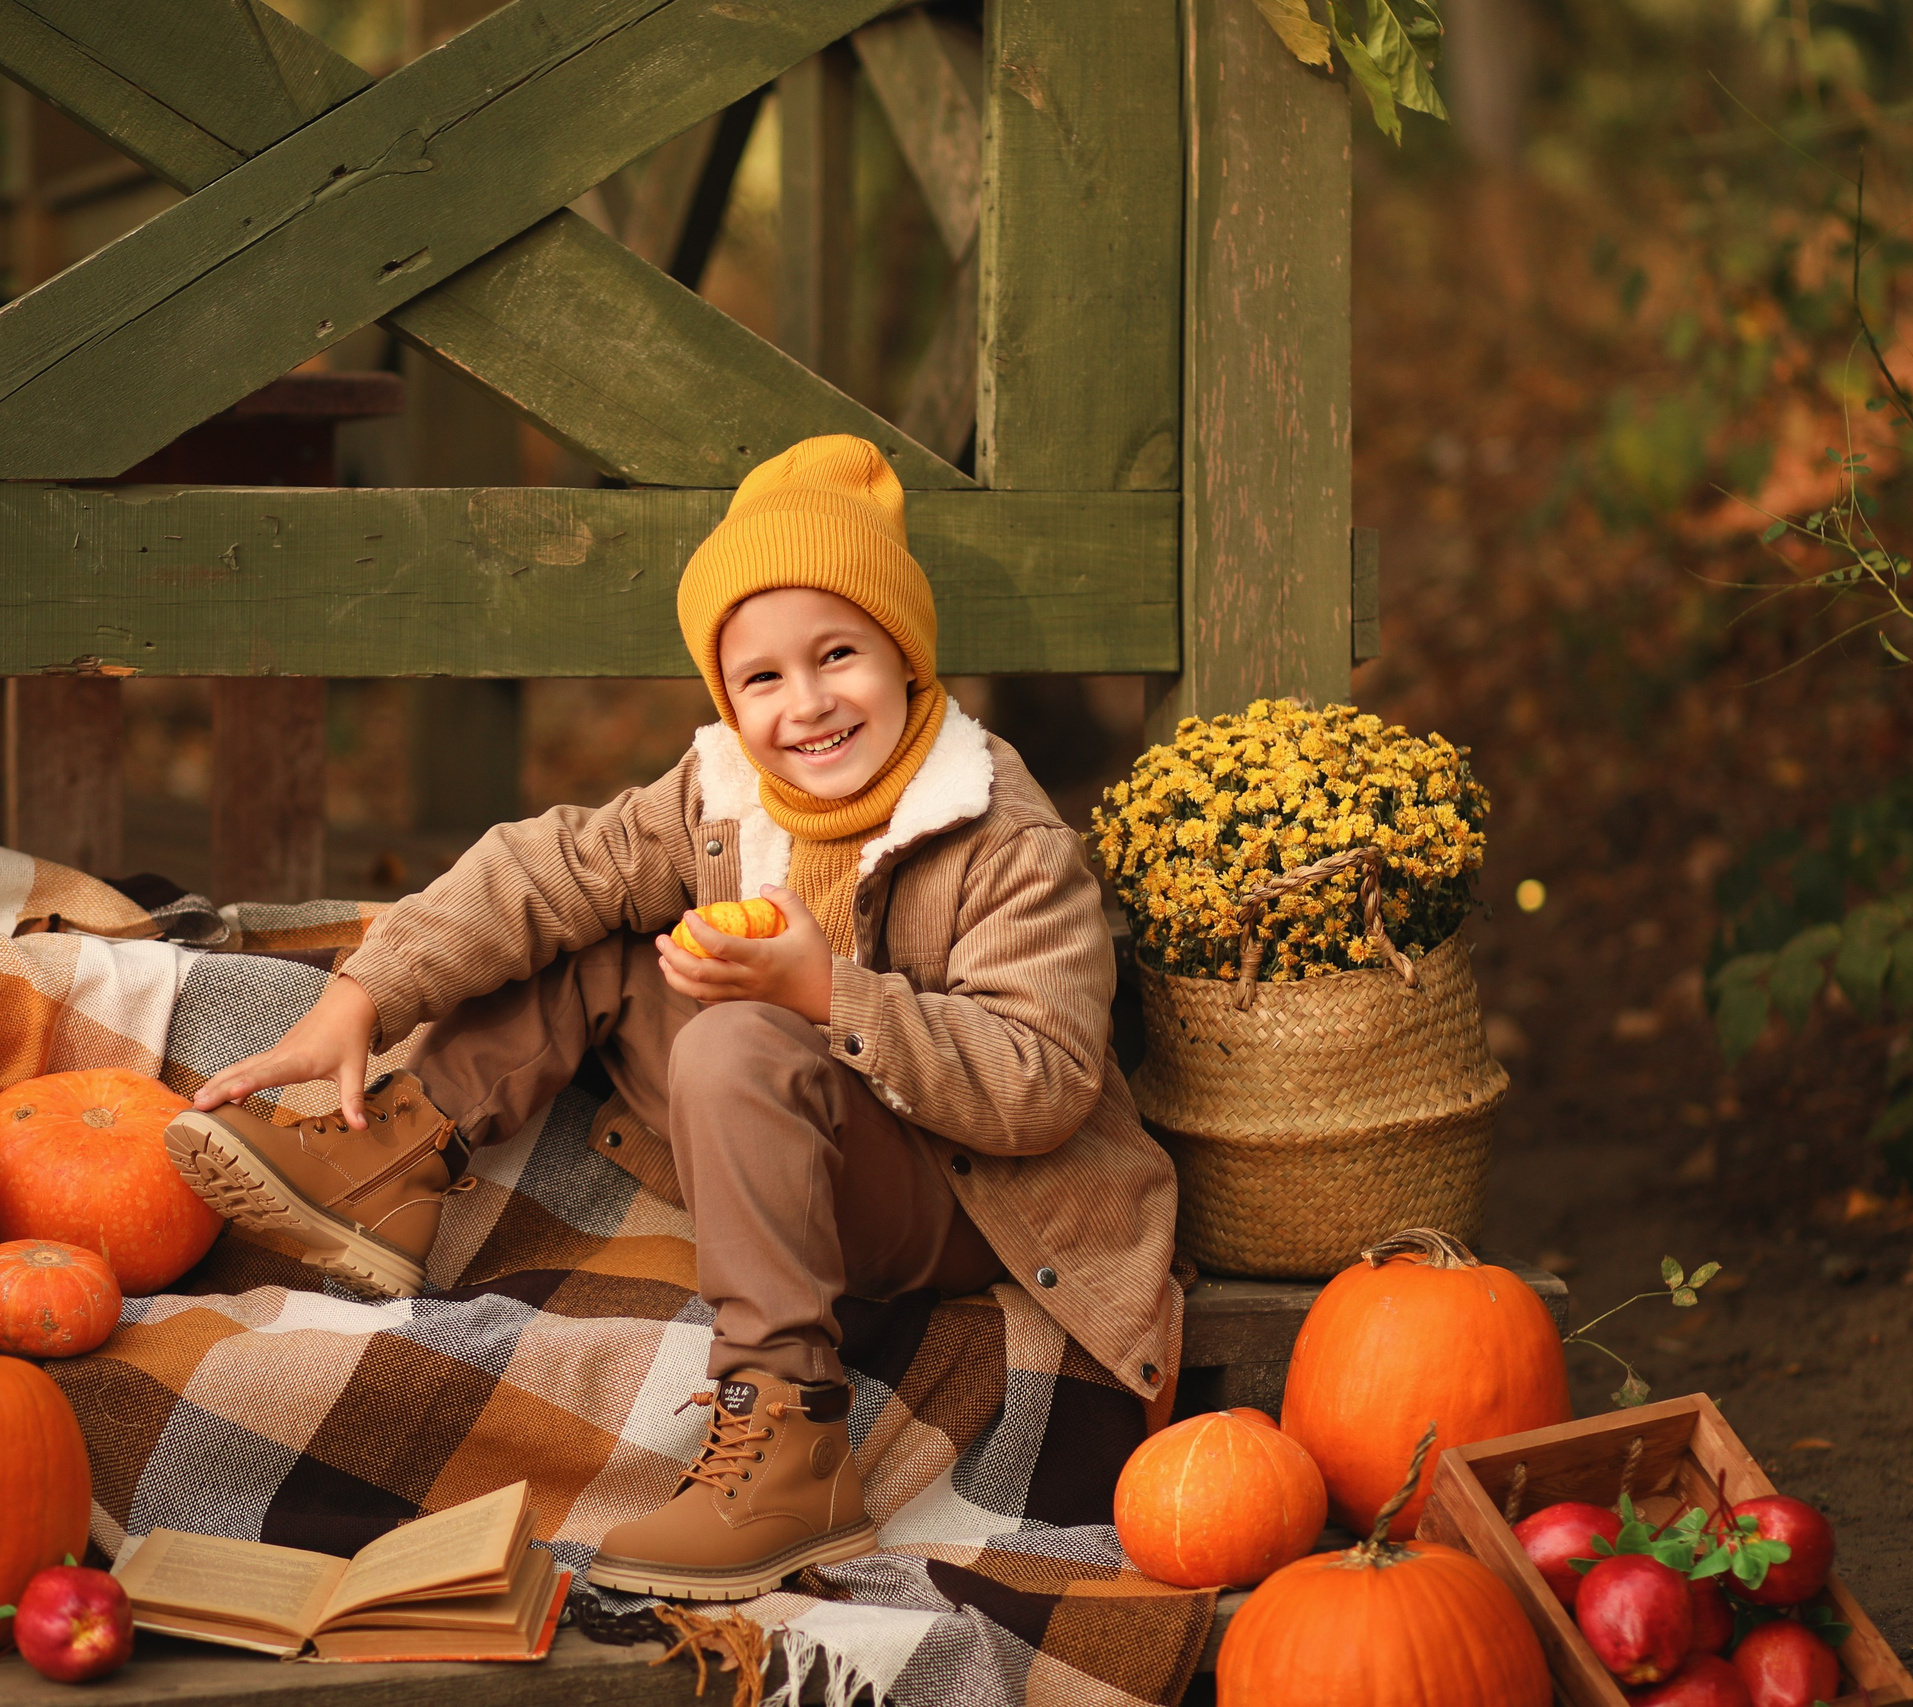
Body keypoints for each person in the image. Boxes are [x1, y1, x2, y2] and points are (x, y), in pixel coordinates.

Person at [165, 435, 1178, 1602]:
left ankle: (789, 1446)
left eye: (838, 655)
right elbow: (551, 867)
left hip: (971, 1192)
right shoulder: (721, 796)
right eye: (762, 679)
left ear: (904, 653)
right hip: (788, 1130)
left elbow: (1038, 1087)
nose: (807, 705)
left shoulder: (1001, 836)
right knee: (596, 920)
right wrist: (364, 994)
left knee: (741, 1028)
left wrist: (824, 993)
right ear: (725, 696)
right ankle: (396, 1155)